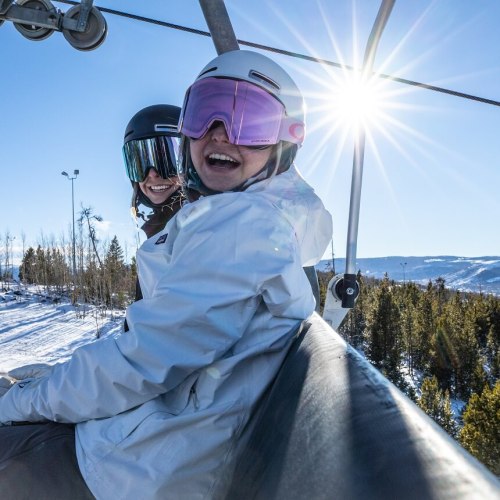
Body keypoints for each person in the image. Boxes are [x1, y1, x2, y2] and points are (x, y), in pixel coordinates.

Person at [0, 49, 332, 499]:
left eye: (248, 121)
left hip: (140, 468)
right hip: (157, 445)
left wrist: (20, 402)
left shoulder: (240, 226)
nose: (220, 133)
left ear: (284, 141)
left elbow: (142, 361)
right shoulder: (260, 219)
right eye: (203, 115)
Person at [123, 104, 183, 241]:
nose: (152, 174)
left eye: (167, 163)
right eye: (141, 164)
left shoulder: (202, 223)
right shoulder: (158, 232)